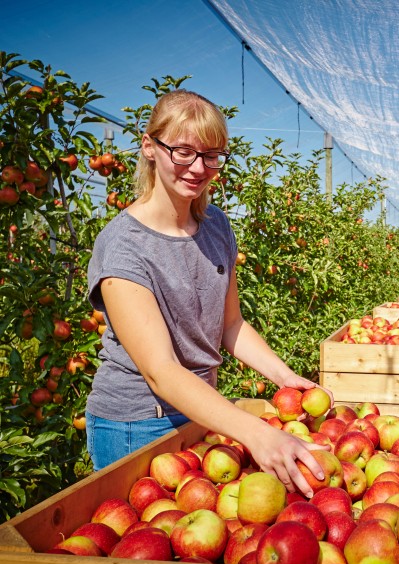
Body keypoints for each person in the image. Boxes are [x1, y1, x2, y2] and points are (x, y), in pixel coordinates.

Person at [86, 89, 333, 497]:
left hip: (201, 409)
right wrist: (257, 434)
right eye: (183, 152)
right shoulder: (123, 246)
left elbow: (230, 324)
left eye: (212, 155)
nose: (198, 168)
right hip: (137, 423)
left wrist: (287, 377)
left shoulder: (216, 225)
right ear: (149, 147)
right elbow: (160, 371)